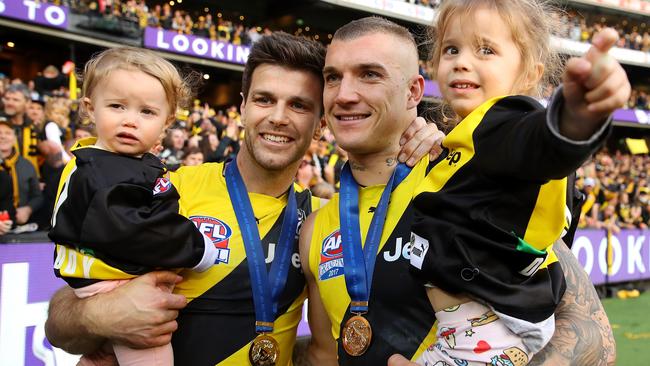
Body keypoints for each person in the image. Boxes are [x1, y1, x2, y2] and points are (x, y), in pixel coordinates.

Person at [45, 32, 441, 365]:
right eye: (265, 99)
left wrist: (433, 143)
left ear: (320, 123)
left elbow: (325, 351)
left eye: (299, 105)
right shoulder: (169, 189)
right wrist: (99, 316)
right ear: (242, 107)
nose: (278, 117)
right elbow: (60, 320)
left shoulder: (322, 222)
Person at [301, 16, 617, 366]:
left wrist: (575, 117)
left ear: (414, 91)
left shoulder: (472, 182)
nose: (345, 94)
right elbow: (324, 354)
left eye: (370, 74)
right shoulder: (316, 229)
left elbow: (594, 339)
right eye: (333, 78)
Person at [406, 1, 630, 365]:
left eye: (486, 50)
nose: (462, 60)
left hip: (484, 334)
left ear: (529, 73)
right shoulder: (468, 134)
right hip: (472, 329)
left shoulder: (504, 120)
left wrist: (575, 116)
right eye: (451, 48)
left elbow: (541, 142)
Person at [48, 46, 219, 366]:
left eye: (147, 112)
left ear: (167, 121)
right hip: (114, 284)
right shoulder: (104, 171)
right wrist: (197, 247)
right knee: (151, 353)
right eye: (116, 106)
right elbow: (138, 232)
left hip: (109, 279)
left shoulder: (114, 162)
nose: (130, 120)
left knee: (105, 358)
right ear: (89, 108)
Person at [0, 118, 43, 227]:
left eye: (8, 133)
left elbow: (38, 196)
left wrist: (28, 209)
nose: (3, 136)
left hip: (20, 228)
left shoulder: (27, 165)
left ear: (15, 138)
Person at [1, 83, 41, 173]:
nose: (9, 103)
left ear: (27, 103)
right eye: (7, 99)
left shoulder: (33, 127)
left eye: (15, 100)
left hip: (28, 178)